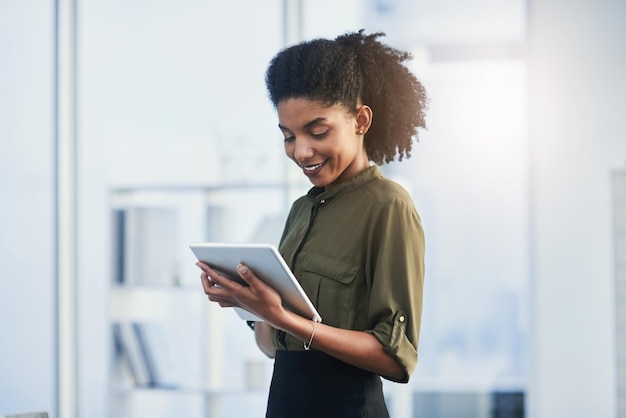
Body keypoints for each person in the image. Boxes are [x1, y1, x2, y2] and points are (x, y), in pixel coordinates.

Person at [196, 29, 427, 418]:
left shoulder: (388, 206)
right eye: (288, 136)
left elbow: (395, 359)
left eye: (318, 132)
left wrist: (285, 317)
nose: (301, 151)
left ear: (360, 120)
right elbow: (275, 348)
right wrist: (252, 306)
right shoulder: (302, 210)